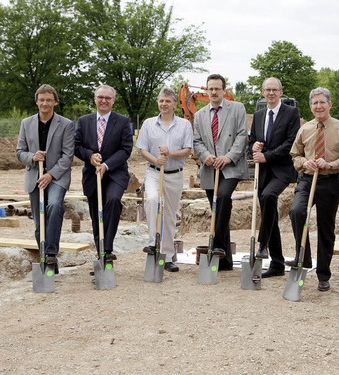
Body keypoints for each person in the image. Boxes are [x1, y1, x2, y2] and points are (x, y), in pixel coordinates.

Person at [287, 87, 339, 292]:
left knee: (326, 228)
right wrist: (304, 163)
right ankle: (304, 258)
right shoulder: (305, 129)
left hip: (329, 181)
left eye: (322, 102)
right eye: (315, 103)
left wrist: (331, 165)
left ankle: (323, 274)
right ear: (310, 106)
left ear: (329, 105)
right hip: (307, 180)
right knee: (297, 211)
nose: (318, 106)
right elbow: (295, 156)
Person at [193, 74, 248, 270]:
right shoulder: (199, 115)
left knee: (223, 197)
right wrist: (205, 156)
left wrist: (229, 157)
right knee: (217, 210)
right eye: (211, 89)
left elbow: (242, 135)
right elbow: (197, 141)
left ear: (224, 91)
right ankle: (224, 261)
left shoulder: (237, 109)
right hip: (210, 168)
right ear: (206, 91)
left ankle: (215, 245)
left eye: (217, 88)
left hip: (230, 167)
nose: (214, 92)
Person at [16, 84, 74, 267]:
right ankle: (44, 256)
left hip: (57, 176)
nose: (45, 103)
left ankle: (50, 254)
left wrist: (50, 174)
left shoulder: (66, 124)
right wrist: (32, 157)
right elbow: (20, 152)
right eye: (42, 100)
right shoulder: (26, 123)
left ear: (55, 102)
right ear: (36, 102)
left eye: (49, 100)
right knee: (39, 220)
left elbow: (68, 155)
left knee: (55, 206)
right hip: (34, 176)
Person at [136, 88, 193, 272]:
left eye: (168, 101)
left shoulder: (184, 125)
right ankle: (153, 245)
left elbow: (187, 150)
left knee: (169, 215)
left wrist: (170, 154)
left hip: (174, 174)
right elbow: (142, 149)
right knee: (153, 201)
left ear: (175, 104)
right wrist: (156, 159)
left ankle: (167, 256)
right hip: (154, 172)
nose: (164, 104)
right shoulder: (148, 123)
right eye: (161, 101)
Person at [248, 77, 300, 278]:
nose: (271, 93)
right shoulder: (259, 115)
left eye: (274, 90)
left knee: (269, 196)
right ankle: (277, 264)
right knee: (269, 212)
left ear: (281, 92)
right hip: (263, 171)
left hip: (282, 169)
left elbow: (290, 142)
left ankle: (262, 244)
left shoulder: (291, 113)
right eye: (267, 90)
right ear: (263, 92)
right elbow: (254, 139)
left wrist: (266, 156)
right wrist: (254, 146)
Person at [74, 84, 133, 262]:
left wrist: (106, 165)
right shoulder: (84, 121)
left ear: (113, 101)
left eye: (108, 98)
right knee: (95, 213)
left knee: (113, 201)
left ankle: (107, 249)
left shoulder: (122, 121)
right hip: (92, 176)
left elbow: (126, 149)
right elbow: (76, 146)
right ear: (95, 99)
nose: (104, 100)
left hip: (115, 173)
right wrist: (90, 156)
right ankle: (100, 253)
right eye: (100, 97)